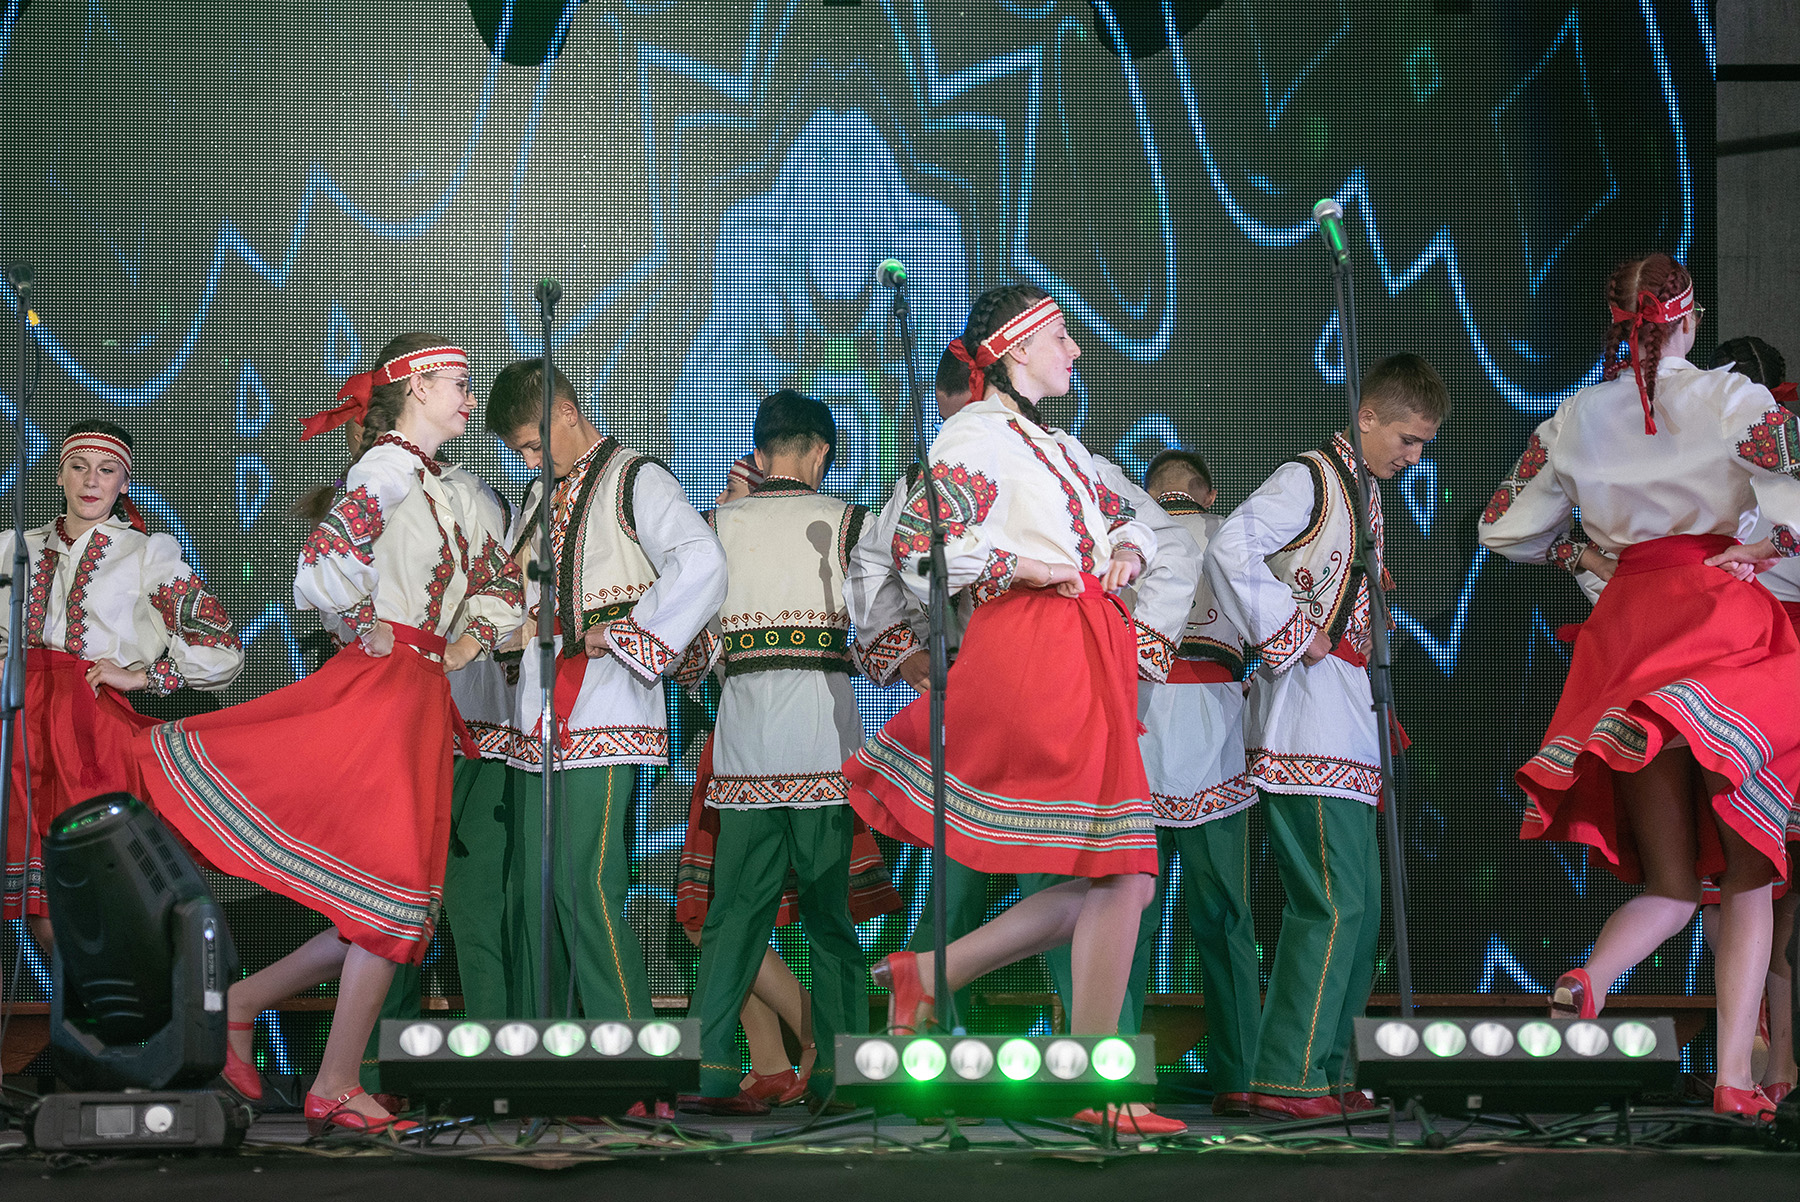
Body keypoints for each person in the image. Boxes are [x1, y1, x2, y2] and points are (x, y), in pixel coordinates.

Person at [135, 333, 523, 1134]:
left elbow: (500, 581)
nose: (468, 396)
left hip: (417, 689)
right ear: (417, 388)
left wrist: (462, 645)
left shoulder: (437, 482)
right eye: (456, 382)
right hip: (387, 689)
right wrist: (366, 623)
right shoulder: (386, 469)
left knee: (390, 904)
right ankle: (336, 1083)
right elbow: (319, 568)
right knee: (394, 900)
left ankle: (246, 1003)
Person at [842, 284, 1181, 1137]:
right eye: (1062, 335)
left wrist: (1128, 551)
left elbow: (1128, 518)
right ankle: (1102, 1083)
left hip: (1082, 647)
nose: (1076, 350)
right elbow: (920, 546)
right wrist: (1026, 569)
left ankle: (930, 975)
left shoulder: (1054, 444)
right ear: (1016, 349)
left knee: (1120, 878)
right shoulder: (974, 434)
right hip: (1037, 646)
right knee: (1124, 871)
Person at [1478, 254, 1800, 1121]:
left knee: (1669, 880)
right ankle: (1736, 1078)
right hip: (1718, 625)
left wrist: (1589, 554)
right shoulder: (1735, 398)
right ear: (1689, 321)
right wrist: (1768, 547)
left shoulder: (1574, 418)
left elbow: (1500, 528)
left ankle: (1591, 977)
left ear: (1616, 326)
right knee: (1749, 870)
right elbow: (1798, 493)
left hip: (1628, 634)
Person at [1207, 352, 1448, 1121]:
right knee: (1333, 904)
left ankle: (1331, 1071)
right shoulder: (1311, 477)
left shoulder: (1361, 492)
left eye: (1423, 445)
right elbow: (1231, 545)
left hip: (1345, 720)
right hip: (1307, 717)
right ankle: (1290, 1075)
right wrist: (1292, 629)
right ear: (1366, 416)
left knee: (1363, 910)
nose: (1415, 458)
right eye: (1408, 440)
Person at [487, 359, 727, 1023]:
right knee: (531, 896)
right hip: (537, 716)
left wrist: (629, 634)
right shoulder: (539, 497)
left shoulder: (634, 477)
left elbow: (702, 560)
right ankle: (546, 1050)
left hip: (607, 708)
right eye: (519, 452)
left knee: (586, 888)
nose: (529, 461)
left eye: (532, 445)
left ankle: (631, 1055)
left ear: (567, 412)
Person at [682, 391, 884, 1114]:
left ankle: (707, 1065)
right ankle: (842, 1074)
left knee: (734, 917)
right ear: (823, 451)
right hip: (827, 747)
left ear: (761, 454)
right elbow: (881, 636)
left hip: (745, 750)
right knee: (832, 920)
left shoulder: (716, 526)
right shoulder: (849, 522)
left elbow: (692, 647)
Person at [1, 422, 244, 951]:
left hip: (88, 730)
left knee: (92, 894)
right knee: (38, 906)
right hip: (17, 727)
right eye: (79, 467)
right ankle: (83, 1004)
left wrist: (145, 676)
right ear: (59, 475)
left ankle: (140, 999)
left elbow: (219, 645)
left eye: (106, 470)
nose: (92, 481)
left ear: (123, 483)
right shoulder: (15, 547)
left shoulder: (145, 553)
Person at [1132, 448, 1262, 1117]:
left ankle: (1120, 1076)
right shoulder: (1232, 537)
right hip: (1216, 732)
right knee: (1226, 917)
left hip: (1138, 730)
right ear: (1208, 494)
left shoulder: (1132, 538)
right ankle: (1240, 1074)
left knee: (1126, 914)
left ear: (1150, 492)